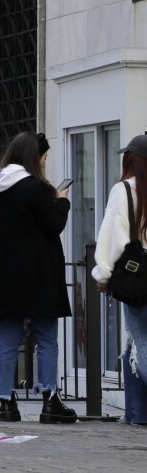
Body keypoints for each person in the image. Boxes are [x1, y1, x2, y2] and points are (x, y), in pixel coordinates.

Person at [0, 131, 77, 424]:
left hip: (7, 272)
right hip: (38, 272)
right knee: (47, 338)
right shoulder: (34, 188)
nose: (45, 163)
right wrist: (61, 201)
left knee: (8, 338)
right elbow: (52, 226)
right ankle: (50, 401)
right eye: (44, 158)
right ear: (33, 157)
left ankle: (6, 403)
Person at [95, 134, 147, 419]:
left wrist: (104, 274)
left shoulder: (125, 190)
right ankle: (137, 414)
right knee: (132, 350)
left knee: (141, 344)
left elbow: (113, 238)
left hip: (140, 279)